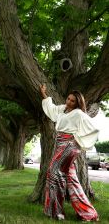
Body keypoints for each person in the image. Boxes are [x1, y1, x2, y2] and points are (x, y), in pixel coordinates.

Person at [40, 84, 99, 222]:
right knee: (71, 179)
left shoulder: (78, 113)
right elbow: (51, 109)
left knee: (54, 173)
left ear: (78, 102)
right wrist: (43, 93)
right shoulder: (63, 109)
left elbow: (93, 128)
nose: (69, 102)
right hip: (59, 144)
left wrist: (77, 140)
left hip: (69, 145)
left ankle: (56, 212)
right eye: (68, 99)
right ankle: (88, 213)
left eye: (73, 101)